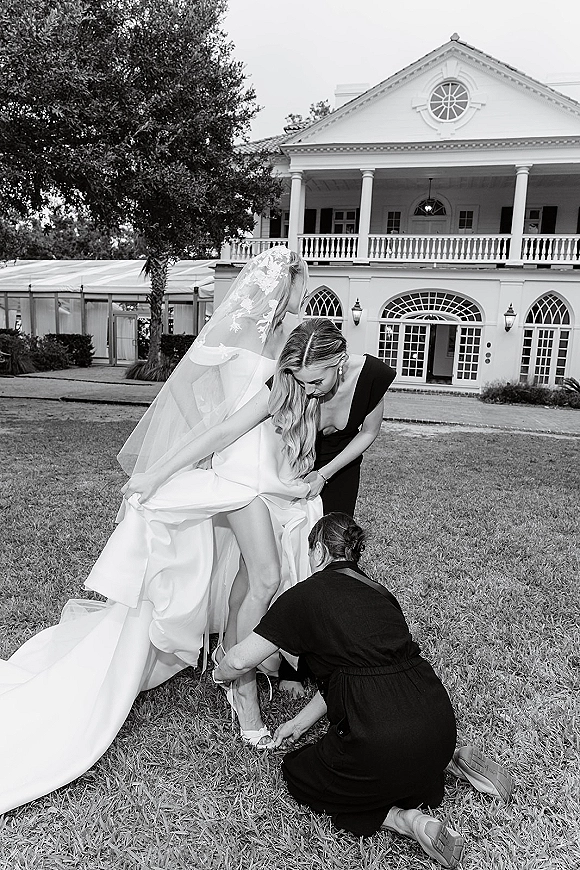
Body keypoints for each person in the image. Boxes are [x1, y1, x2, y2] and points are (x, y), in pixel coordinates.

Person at [0, 246, 321, 814]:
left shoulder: (294, 338)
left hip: (267, 472)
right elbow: (211, 423)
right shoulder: (233, 341)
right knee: (265, 575)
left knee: (248, 575)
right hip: (238, 475)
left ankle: (243, 658)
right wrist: (157, 471)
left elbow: (303, 402)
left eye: (295, 289)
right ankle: (239, 684)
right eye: (290, 287)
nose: (292, 298)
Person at [213, 512, 514, 869]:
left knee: (303, 773)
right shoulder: (380, 593)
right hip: (437, 717)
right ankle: (445, 757)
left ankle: (408, 821)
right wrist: (301, 721)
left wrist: (220, 672)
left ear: (320, 551)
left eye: (310, 553)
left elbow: (239, 661)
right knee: (406, 766)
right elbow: (359, 671)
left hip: (379, 739)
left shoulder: (303, 597)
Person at [271, 317, 396, 694]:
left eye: (317, 382)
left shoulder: (371, 374)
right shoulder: (296, 378)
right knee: (291, 556)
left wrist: (325, 475)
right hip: (294, 464)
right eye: (302, 382)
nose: (309, 392)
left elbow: (369, 432)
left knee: (333, 559)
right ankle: (288, 661)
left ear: (340, 360)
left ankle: (324, 658)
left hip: (338, 470)